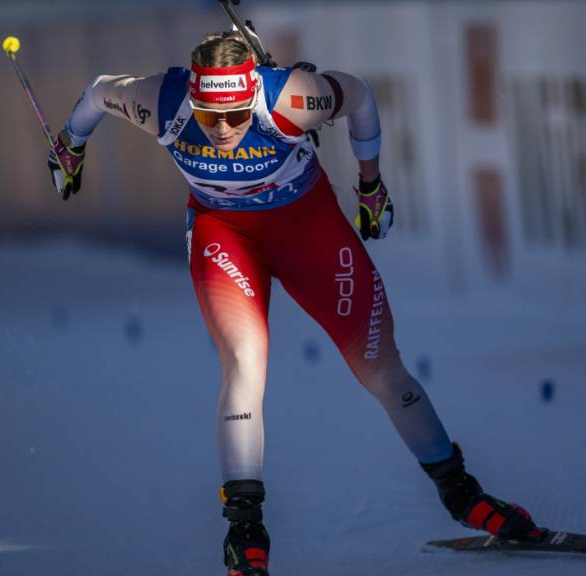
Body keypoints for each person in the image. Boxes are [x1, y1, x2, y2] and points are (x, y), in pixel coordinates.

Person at [49, 31, 544, 576]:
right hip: (224, 232)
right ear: (193, 98)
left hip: (308, 229)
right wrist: (70, 148)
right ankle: (244, 530)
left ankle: (460, 494)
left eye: (235, 115)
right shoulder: (162, 100)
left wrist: (370, 186)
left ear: (252, 95)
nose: (222, 131)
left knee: (381, 368)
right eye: (209, 117)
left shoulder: (289, 98)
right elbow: (98, 93)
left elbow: (356, 95)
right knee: (244, 361)